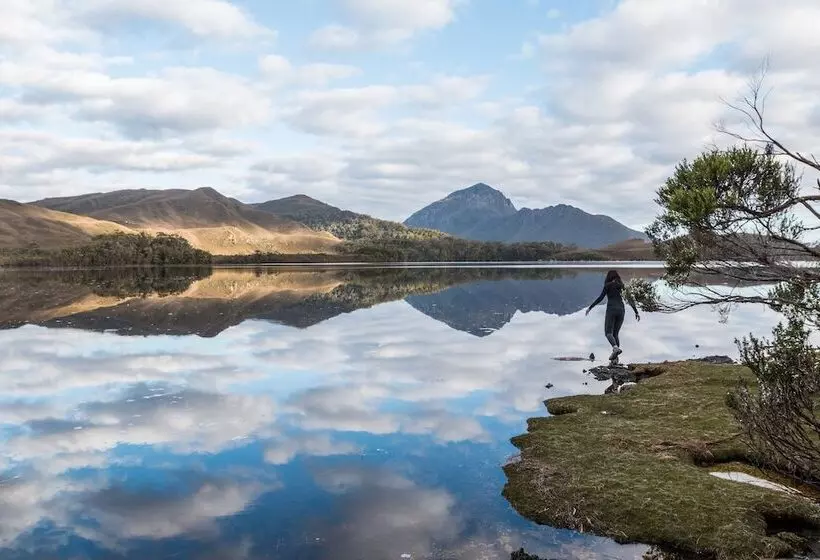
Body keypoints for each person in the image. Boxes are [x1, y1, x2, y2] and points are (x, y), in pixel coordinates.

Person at [585, 270, 640, 364]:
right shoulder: (622, 286)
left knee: (608, 333)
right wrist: (636, 312)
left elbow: (600, 298)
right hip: (621, 310)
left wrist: (590, 308)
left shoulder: (608, 285)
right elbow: (629, 299)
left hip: (611, 310)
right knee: (615, 334)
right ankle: (615, 359)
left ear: (609, 277)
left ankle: (615, 348)